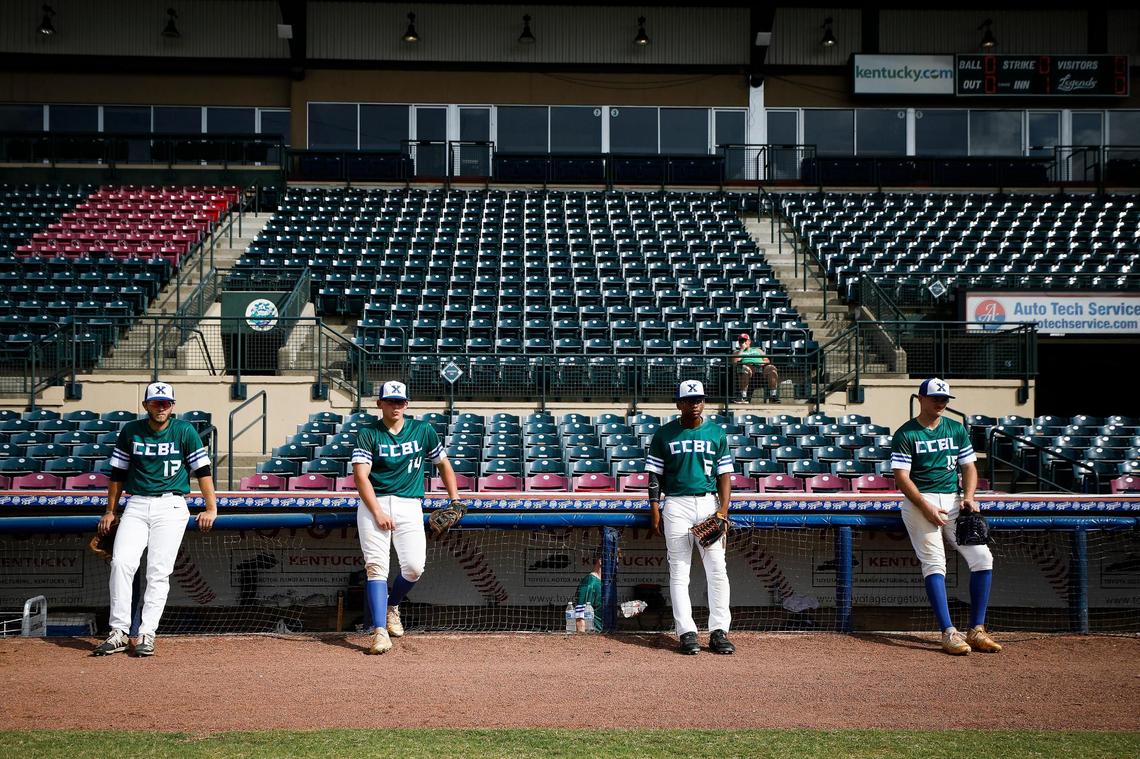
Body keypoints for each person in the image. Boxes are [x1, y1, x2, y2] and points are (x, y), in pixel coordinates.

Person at [93, 381, 217, 657]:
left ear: (172, 406)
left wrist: (211, 508)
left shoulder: (184, 430)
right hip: (136, 504)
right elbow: (117, 475)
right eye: (155, 403)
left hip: (171, 505)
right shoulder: (131, 430)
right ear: (145, 405)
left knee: (158, 572)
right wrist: (110, 510)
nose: (161, 407)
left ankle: (147, 632)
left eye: (165, 403)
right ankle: (119, 632)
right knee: (122, 563)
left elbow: (203, 470)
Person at [891, 377, 1001, 656]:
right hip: (920, 501)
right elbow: (901, 478)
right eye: (936, 398)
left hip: (953, 501)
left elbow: (970, 467)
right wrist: (925, 506)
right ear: (920, 399)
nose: (941, 403)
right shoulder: (906, 433)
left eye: (945, 399)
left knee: (982, 557)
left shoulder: (955, 429)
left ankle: (977, 630)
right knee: (935, 563)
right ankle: (949, 633)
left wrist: (969, 497)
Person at [351, 380, 461, 655]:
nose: (396, 406)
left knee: (414, 567)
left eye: (400, 401)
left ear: (407, 404)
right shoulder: (368, 434)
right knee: (376, 567)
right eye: (390, 401)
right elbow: (360, 476)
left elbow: (443, 464)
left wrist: (455, 500)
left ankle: (392, 606)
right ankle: (378, 632)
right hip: (373, 503)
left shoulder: (422, 430)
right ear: (380, 404)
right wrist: (377, 511)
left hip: (410, 503)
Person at [645, 379, 735, 655]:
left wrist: (722, 512)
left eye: (699, 399)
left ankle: (719, 631)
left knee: (717, 569)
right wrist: (654, 508)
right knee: (680, 572)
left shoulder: (716, 434)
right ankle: (687, 632)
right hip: (676, 506)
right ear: (679, 404)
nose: (695, 404)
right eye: (689, 400)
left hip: (708, 505)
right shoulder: (664, 434)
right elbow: (654, 476)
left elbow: (724, 476)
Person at [730, 333, 778, 404]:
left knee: (772, 368)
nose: (743, 342)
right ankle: (743, 396)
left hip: (761, 368)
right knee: (743, 368)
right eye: (741, 341)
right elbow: (735, 362)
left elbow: (767, 360)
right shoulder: (737, 352)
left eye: (745, 340)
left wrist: (762, 363)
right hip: (748, 368)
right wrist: (742, 350)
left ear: (749, 341)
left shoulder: (758, 350)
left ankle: (773, 396)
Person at [575, 550, 603, 633]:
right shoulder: (589, 582)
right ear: (601, 561)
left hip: (608, 636)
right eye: (613, 563)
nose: (616, 567)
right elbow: (580, 617)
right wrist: (584, 642)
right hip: (594, 636)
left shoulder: (607, 583)